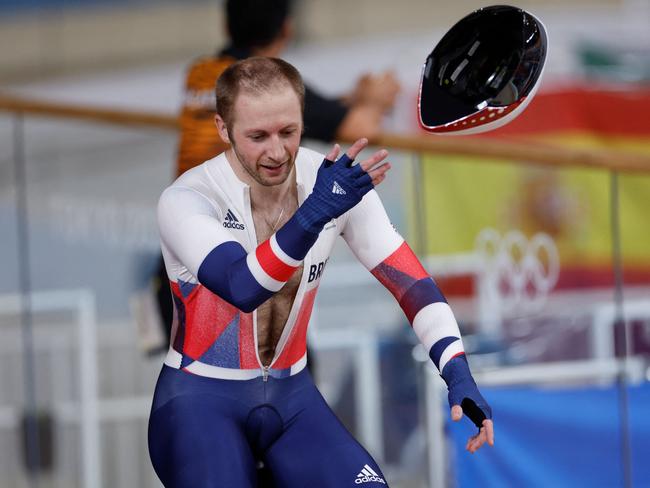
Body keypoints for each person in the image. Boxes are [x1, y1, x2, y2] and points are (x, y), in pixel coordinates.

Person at [148, 57, 493, 488]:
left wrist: (457, 371)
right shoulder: (187, 198)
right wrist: (314, 214)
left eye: (288, 132)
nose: (276, 151)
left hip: (293, 398)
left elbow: (412, 285)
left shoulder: (330, 183)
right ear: (223, 129)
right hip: (198, 404)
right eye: (257, 136)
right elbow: (242, 285)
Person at [175, 0, 400, 177]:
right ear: (287, 28)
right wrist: (375, 99)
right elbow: (363, 128)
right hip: (236, 216)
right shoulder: (269, 82)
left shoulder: (199, 72)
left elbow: (313, 109)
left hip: (187, 205)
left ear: (225, 26)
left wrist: (356, 98)